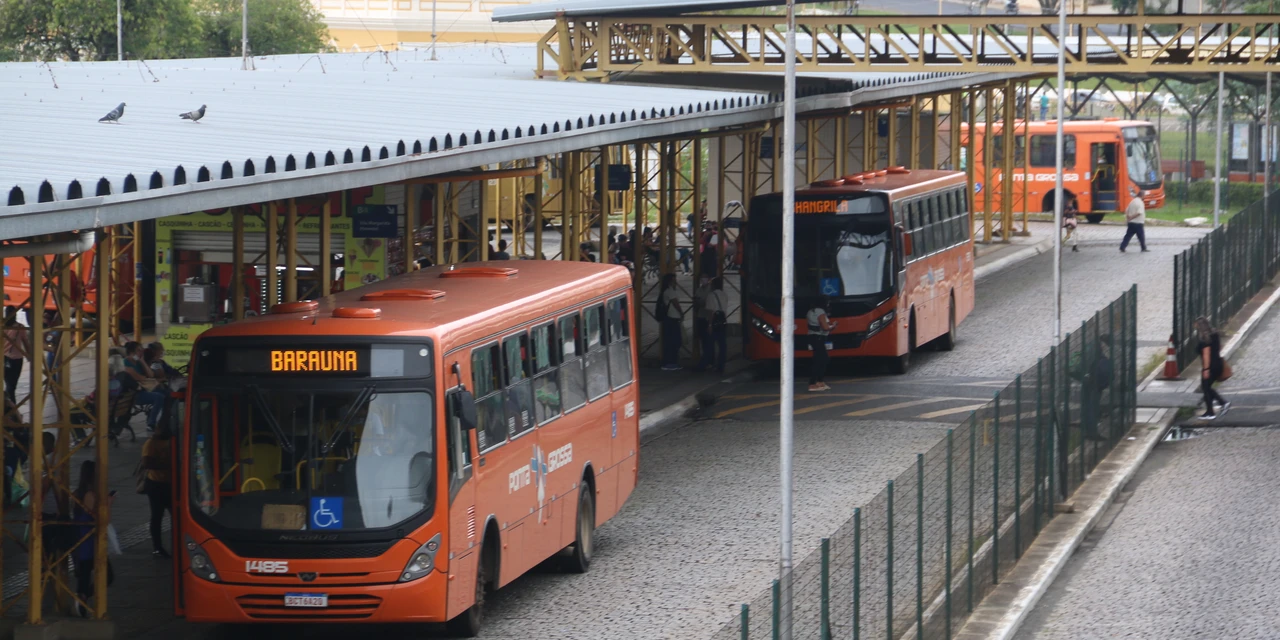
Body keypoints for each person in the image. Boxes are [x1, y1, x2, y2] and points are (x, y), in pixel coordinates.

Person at [71, 459, 114, 617]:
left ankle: (81, 600)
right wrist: (108, 504)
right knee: (106, 575)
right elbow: (102, 521)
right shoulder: (90, 495)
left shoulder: (78, 492)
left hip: (81, 538)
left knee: (84, 575)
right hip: (89, 540)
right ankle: (81, 600)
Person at [141, 423, 173, 557]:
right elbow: (147, 463)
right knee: (157, 516)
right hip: (156, 484)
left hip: (170, 483)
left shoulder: (171, 441)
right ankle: (157, 547)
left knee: (175, 515)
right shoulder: (151, 443)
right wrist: (169, 464)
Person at [121, 342, 165, 432]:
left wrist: (142, 361)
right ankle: (151, 423)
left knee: (166, 393)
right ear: (131, 352)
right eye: (138, 350)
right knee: (159, 397)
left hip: (143, 389)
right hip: (134, 394)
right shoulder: (125, 364)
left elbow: (150, 375)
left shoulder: (138, 363)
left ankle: (162, 420)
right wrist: (143, 378)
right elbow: (140, 378)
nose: (141, 352)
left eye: (142, 350)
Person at [1195, 317, 1231, 420]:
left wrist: (1206, 369)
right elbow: (1220, 347)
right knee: (1207, 388)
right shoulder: (1215, 334)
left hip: (1210, 367)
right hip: (1218, 363)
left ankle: (1216, 407)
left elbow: (1206, 354)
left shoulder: (1204, 339)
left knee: (1205, 388)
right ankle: (1213, 409)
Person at [696, 278, 728, 374]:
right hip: (722, 322)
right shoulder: (724, 294)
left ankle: (703, 365)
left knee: (709, 345)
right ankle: (720, 366)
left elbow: (711, 311)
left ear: (713, 285)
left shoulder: (711, 295)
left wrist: (709, 325)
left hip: (714, 322)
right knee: (722, 346)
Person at [806, 298, 836, 392]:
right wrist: (833, 326)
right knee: (823, 359)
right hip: (818, 337)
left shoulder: (810, 312)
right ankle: (813, 383)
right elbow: (825, 327)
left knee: (818, 358)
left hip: (812, 337)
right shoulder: (820, 311)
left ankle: (819, 382)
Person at [657, 274, 683, 371]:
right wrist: (681, 313)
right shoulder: (670, 291)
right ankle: (670, 362)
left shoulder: (666, 290)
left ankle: (669, 362)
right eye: (674, 279)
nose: (675, 280)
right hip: (671, 318)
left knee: (670, 341)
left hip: (669, 319)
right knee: (674, 341)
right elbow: (675, 303)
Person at [3, 307, 29, 404]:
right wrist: (29, 355)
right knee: (11, 386)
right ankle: (12, 409)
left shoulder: (2, 326)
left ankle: (8, 408)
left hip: (3, 358)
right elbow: (26, 342)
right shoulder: (20, 327)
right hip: (16, 360)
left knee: (7, 384)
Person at [1119, 187, 1148, 253]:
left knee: (1128, 235)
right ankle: (1143, 248)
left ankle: (1122, 247)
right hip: (1138, 223)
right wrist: (1132, 217)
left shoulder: (1132, 201)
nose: (1144, 197)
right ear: (1142, 195)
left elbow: (1126, 210)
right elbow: (1139, 212)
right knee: (1141, 236)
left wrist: (1128, 217)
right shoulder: (1140, 203)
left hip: (1131, 223)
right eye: (1144, 196)